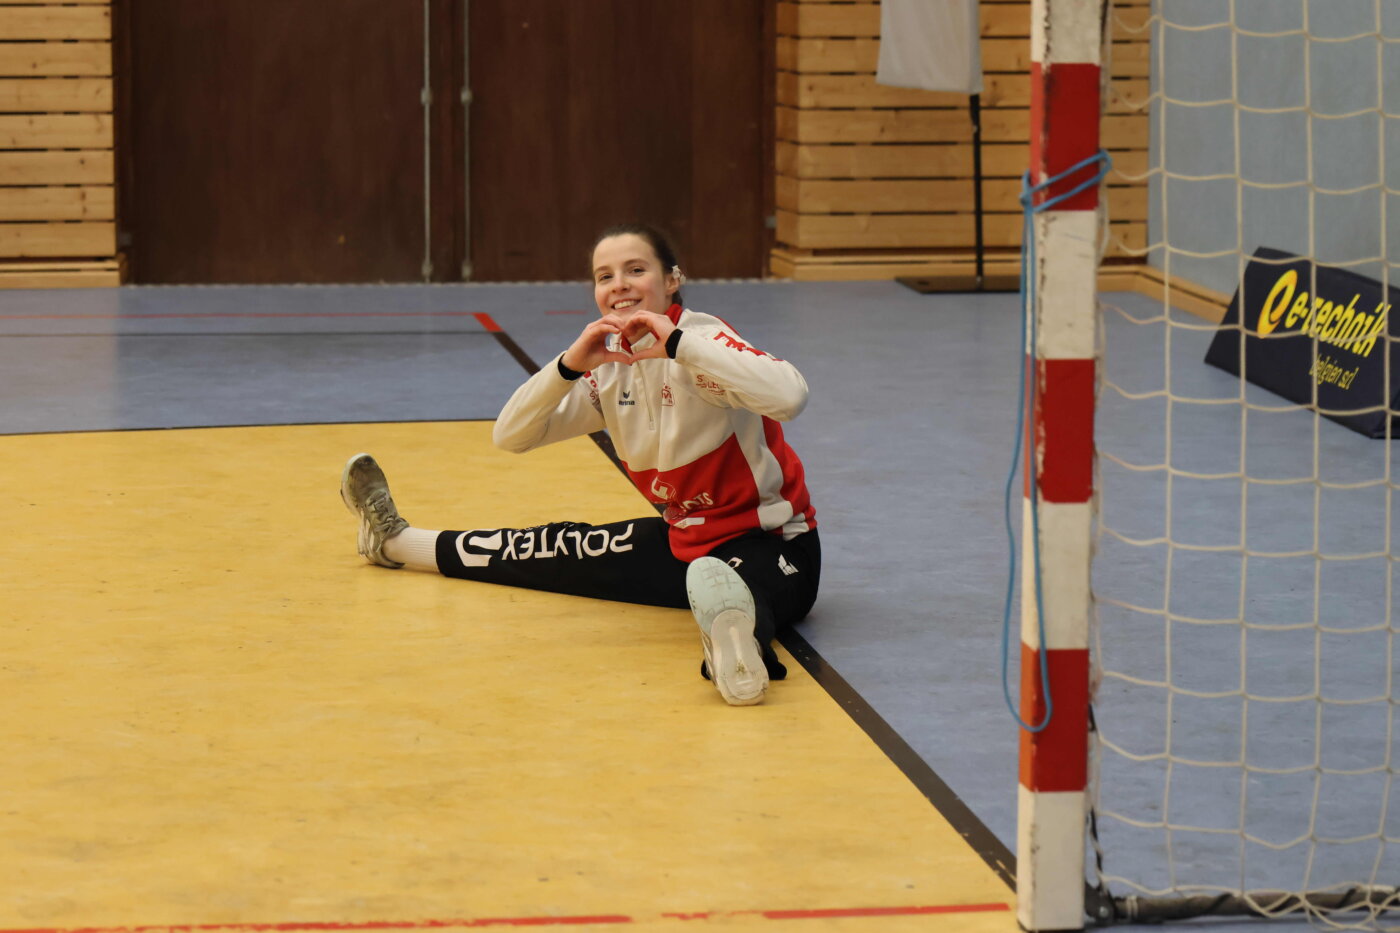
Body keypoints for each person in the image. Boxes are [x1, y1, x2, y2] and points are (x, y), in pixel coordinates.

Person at [340, 223, 820, 706]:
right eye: (605, 276)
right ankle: (396, 543)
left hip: (775, 544)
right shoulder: (608, 369)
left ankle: (738, 653)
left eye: (636, 270)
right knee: (553, 547)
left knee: (743, 588)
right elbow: (510, 435)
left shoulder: (704, 339)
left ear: (672, 280)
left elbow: (790, 395)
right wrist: (569, 367)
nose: (619, 285)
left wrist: (679, 345)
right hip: (683, 546)